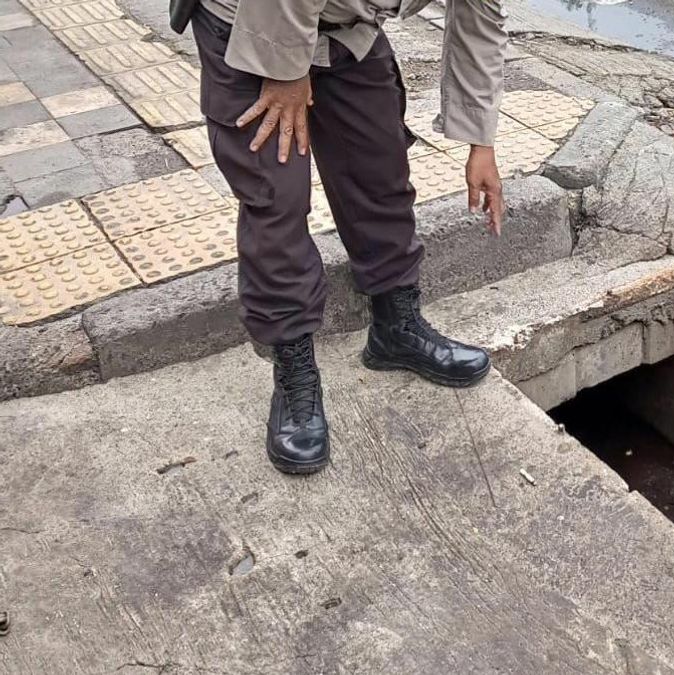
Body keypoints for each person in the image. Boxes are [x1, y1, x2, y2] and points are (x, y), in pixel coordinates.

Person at [172, 0, 507, 475]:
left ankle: (396, 329)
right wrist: (285, 72)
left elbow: (480, 23)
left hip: (348, 26)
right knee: (276, 198)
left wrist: (482, 144)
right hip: (249, 17)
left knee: (378, 169)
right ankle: (293, 369)